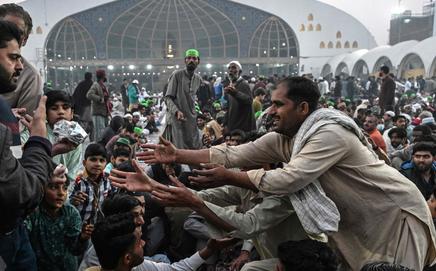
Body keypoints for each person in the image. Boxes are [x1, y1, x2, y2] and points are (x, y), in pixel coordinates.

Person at [125, 76, 436, 270]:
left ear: (302, 109)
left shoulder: (328, 133)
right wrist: (178, 154)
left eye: (278, 105)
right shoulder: (286, 139)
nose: (270, 111)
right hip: (359, 223)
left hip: (395, 215)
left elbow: (289, 180)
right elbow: (232, 154)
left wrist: (230, 176)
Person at [0, 20, 54, 270]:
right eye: (13, 57)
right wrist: (40, 141)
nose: (20, 65)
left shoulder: (4, 107)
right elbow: (21, 191)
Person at [88, 212, 238, 271]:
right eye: (139, 242)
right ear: (127, 258)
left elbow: (175, 269)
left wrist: (209, 249)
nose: (144, 243)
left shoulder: (135, 267)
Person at [25, 165, 93, 271]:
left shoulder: (71, 213)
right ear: (42, 188)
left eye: (65, 188)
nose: (61, 193)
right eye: (53, 187)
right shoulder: (33, 213)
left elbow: (75, 250)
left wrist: (82, 238)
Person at [21, 90, 82, 186]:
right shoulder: (33, 131)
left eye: (65, 108)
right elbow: (22, 160)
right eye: (54, 108)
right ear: (46, 114)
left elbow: (72, 174)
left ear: (72, 113)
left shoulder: (75, 139)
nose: (61, 112)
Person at [0, 3, 43, 115]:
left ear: (24, 39)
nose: (11, 34)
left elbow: (23, 125)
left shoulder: (30, 77)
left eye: (17, 32)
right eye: (5, 28)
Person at [162, 49, 202, 149]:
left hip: (191, 119)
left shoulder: (198, 79)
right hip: (176, 119)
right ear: (185, 60)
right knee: (177, 149)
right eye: (189, 58)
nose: (191, 60)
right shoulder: (177, 75)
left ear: (198, 61)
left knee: (194, 148)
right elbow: (167, 98)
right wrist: (176, 111)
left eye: (194, 58)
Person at [70, 143, 111, 224]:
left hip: (98, 225)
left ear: (106, 163)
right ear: (84, 162)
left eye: (102, 160)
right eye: (93, 159)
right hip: (78, 225)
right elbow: (67, 203)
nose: (98, 164)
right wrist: (73, 201)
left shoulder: (107, 180)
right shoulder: (77, 181)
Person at [223, 61, 255, 133]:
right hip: (234, 124)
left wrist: (235, 93)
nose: (231, 70)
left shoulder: (243, 84)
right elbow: (229, 107)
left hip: (243, 126)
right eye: (229, 68)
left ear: (240, 71)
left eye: (234, 68)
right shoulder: (231, 85)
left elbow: (249, 100)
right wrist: (225, 123)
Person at [87, 69, 111, 141]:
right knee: (99, 132)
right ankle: (98, 148)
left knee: (104, 131)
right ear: (102, 77)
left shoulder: (103, 86)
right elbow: (89, 95)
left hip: (104, 112)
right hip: (98, 112)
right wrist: (100, 99)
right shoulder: (96, 85)